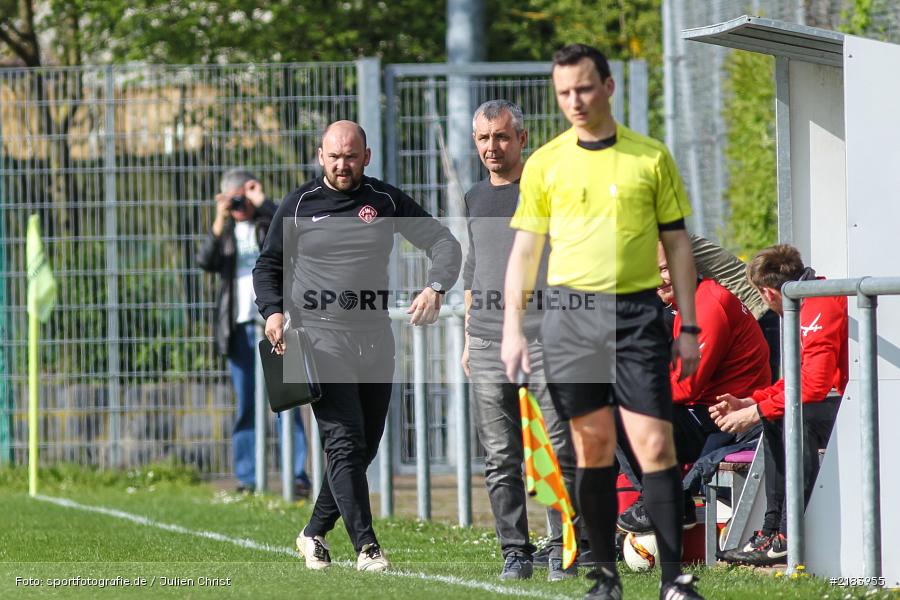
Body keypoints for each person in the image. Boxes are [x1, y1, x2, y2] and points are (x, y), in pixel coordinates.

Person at [501, 44, 705, 600]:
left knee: (654, 444)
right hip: (570, 319)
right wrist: (513, 328)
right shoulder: (546, 163)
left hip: (637, 316)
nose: (575, 101)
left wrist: (688, 325)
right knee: (591, 449)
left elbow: (677, 244)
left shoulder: (650, 157)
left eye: (585, 88)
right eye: (564, 92)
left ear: (608, 87)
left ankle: (674, 581)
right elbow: (525, 252)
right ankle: (605, 578)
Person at [253, 120, 461, 573]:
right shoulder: (299, 205)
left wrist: (436, 287)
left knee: (363, 446)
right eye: (334, 156)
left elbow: (443, 241)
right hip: (319, 338)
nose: (342, 164)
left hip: (376, 338)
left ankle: (313, 532)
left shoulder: (385, 200)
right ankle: (368, 547)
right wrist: (272, 312)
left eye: (351, 156)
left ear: (366, 156)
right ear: (320, 156)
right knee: (343, 443)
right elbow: (267, 266)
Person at [461, 99, 581, 581]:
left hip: (546, 340)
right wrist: (468, 337)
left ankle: (562, 549)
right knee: (500, 457)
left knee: (555, 450)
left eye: (501, 136)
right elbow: (474, 266)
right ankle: (515, 551)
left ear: (521, 140)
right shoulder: (473, 197)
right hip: (487, 342)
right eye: (484, 138)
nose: (492, 146)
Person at [615, 241, 772, 534]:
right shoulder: (689, 301)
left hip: (730, 419)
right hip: (711, 411)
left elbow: (685, 387)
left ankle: (664, 501)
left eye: (664, 269)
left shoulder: (705, 307)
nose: (657, 280)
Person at [711, 244, 848, 566]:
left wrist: (755, 412)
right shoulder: (807, 300)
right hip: (846, 399)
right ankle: (770, 532)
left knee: (792, 417)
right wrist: (752, 401)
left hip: (861, 404)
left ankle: (785, 535)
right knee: (777, 415)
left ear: (767, 293)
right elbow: (798, 378)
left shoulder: (818, 304)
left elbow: (814, 386)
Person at [196, 169, 311, 496]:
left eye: (242, 198)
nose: (239, 206)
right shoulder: (226, 233)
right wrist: (219, 220)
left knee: (289, 401)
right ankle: (248, 479)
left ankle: (296, 476)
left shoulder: (267, 223)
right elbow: (204, 261)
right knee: (246, 405)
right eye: (233, 200)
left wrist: (264, 203)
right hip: (239, 328)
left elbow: (294, 235)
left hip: (278, 324)